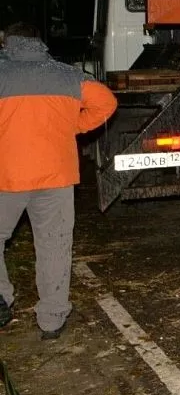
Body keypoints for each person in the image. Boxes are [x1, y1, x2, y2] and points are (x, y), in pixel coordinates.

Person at [0, 23, 117, 339]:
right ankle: (52, 320)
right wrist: (74, 125)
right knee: (54, 244)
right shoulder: (67, 75)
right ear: (39, 43)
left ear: (7, 42)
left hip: (6, 177)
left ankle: (2, 298)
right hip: (57, 177)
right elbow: (107, 102)